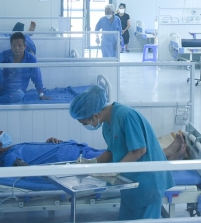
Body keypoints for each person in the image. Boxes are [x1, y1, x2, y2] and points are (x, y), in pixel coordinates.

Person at [69, 85, 174, 220]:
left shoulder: (126, 115)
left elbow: (139, 150)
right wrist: (92, 162)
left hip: (148, 181)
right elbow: (112, 151)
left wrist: (114, 169)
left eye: (84, 123)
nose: (86, 126)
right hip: (130, 183)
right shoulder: (107, 124)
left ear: (95, 116)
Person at [0, 128, 187, 167]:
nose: (1, 131)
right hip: (75, 160)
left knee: (116, 152)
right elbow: (19, 168)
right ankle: (167, 155)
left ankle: (165, 153)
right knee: (120, 156)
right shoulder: (7, 156)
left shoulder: (14, 147)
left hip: (75, 149)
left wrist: (49, 143)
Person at [0, 32, 51, 103]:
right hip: (1, 87)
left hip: (16, 92)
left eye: (20, 45)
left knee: (20, 95)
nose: (17, 48)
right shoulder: (6, 54)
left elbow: (37, 78)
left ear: (24, 46)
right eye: (14, 45)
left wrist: (41, 94)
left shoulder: (32, 59)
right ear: (11, 46)